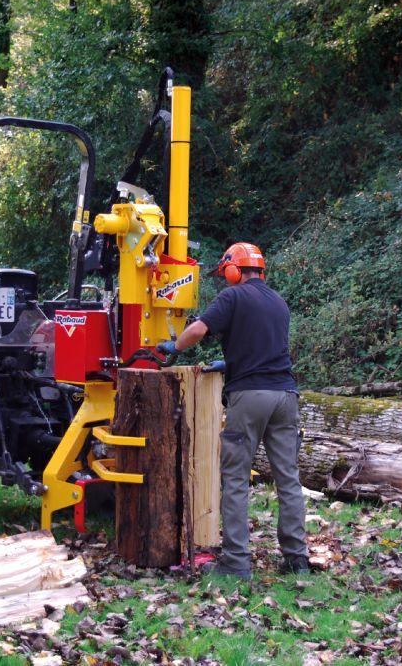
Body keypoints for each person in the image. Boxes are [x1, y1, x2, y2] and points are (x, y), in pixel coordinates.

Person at [157, 242, 309, 579]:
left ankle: (236, 564)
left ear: (233, 269)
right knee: (288, 479)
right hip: (285, 396)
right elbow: (265, 348)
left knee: (236, 480)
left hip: (250, 398)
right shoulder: (279, 302)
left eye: (226, 274)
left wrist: (174, 346)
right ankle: (297, 559)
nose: (226, 281)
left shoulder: (233, 297)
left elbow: (197, 330)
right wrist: (231, 362)